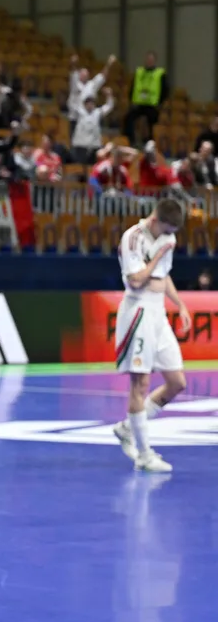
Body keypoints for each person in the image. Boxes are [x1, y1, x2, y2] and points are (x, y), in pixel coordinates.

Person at [111, 199, 189, 473]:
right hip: (138, 311)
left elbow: (162, 277)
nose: (170, 235)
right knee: (140, 384)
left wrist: (179, 305)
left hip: (159, 312)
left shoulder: (168, 238)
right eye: (167, 228)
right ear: (155, 220)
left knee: (177, 381)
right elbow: (135, 280)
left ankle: (127, 428)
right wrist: (156, 257)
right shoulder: (133, 238)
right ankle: (144, 455)